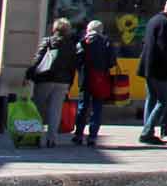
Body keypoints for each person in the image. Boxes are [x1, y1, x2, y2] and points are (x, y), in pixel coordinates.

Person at [136, 0, 167, 145]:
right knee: (163, 101)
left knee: (151, 99)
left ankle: (147, 130)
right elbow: (165, 48)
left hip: (148, 67)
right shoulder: (166, 23)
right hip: (159, 68)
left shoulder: (153, 20)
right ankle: (147, 131)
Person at [26, 18, 79, 148]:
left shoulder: (48, 41)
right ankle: (52, 139)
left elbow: (37, 59)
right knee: (55, 110)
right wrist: (70, 83)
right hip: (63, 81)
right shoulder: (72, 45)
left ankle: (34, 136)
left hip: (45, 78)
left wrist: (29, 75)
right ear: (68, 31)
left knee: (37, 108)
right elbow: (73, 66)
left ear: (54, 29)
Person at [74, 19, 117, 147]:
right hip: (100, 79)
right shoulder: (106, 42)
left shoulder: (83, 41)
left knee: (83, 107)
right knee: (97, 108)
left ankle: (78, 134)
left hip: (85, 79)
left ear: (88, 29)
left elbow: (77, 60)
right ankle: (92, 136)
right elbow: (112, 62)